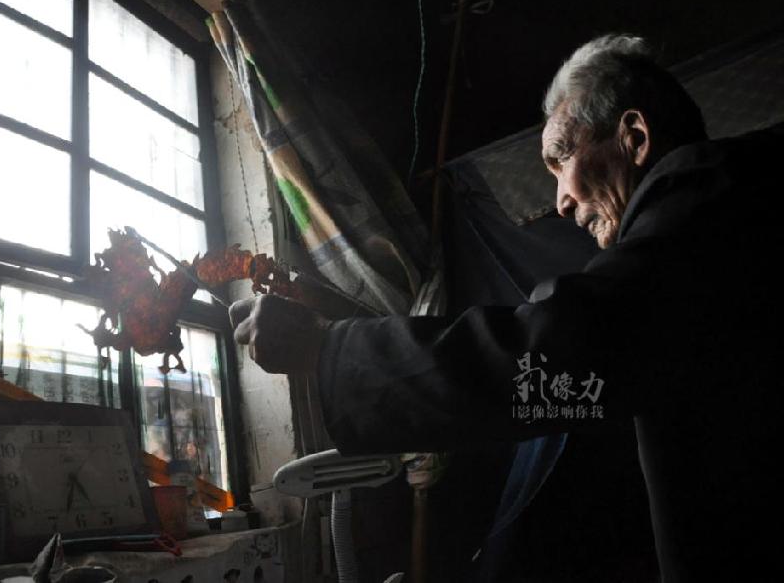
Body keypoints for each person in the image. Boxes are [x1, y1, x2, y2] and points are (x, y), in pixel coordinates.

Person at [230, 35, 782, 581]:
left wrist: (328, 349)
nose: (561, 202)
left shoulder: (707, 207)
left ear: (634, 137)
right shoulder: (719, 204)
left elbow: (553, 355)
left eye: (561, 159)